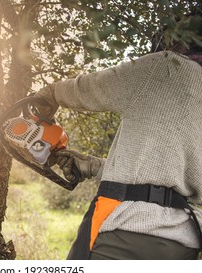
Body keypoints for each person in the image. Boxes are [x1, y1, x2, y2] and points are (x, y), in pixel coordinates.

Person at [34, 13, 202, 260]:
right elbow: (166, 179)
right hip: (184, 244)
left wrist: (51, 93)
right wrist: (94, 167)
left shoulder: (165, 65)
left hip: (127, 232)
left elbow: (93, 88)